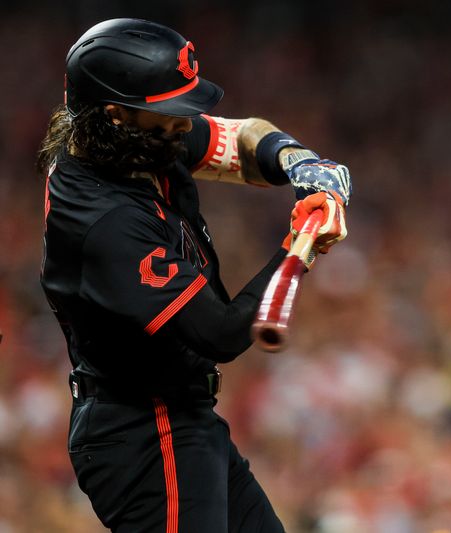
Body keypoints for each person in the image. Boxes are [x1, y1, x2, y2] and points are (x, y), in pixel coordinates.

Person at [37, 18, 351, 532]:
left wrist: (300, 164)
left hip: (181, 417)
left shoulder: (126, 143)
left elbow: (242, 138)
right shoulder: (106, 221)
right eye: (170, 112)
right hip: (143, 431)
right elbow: (221, 332)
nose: (187, 122)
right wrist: (303, 238)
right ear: (116, 114)